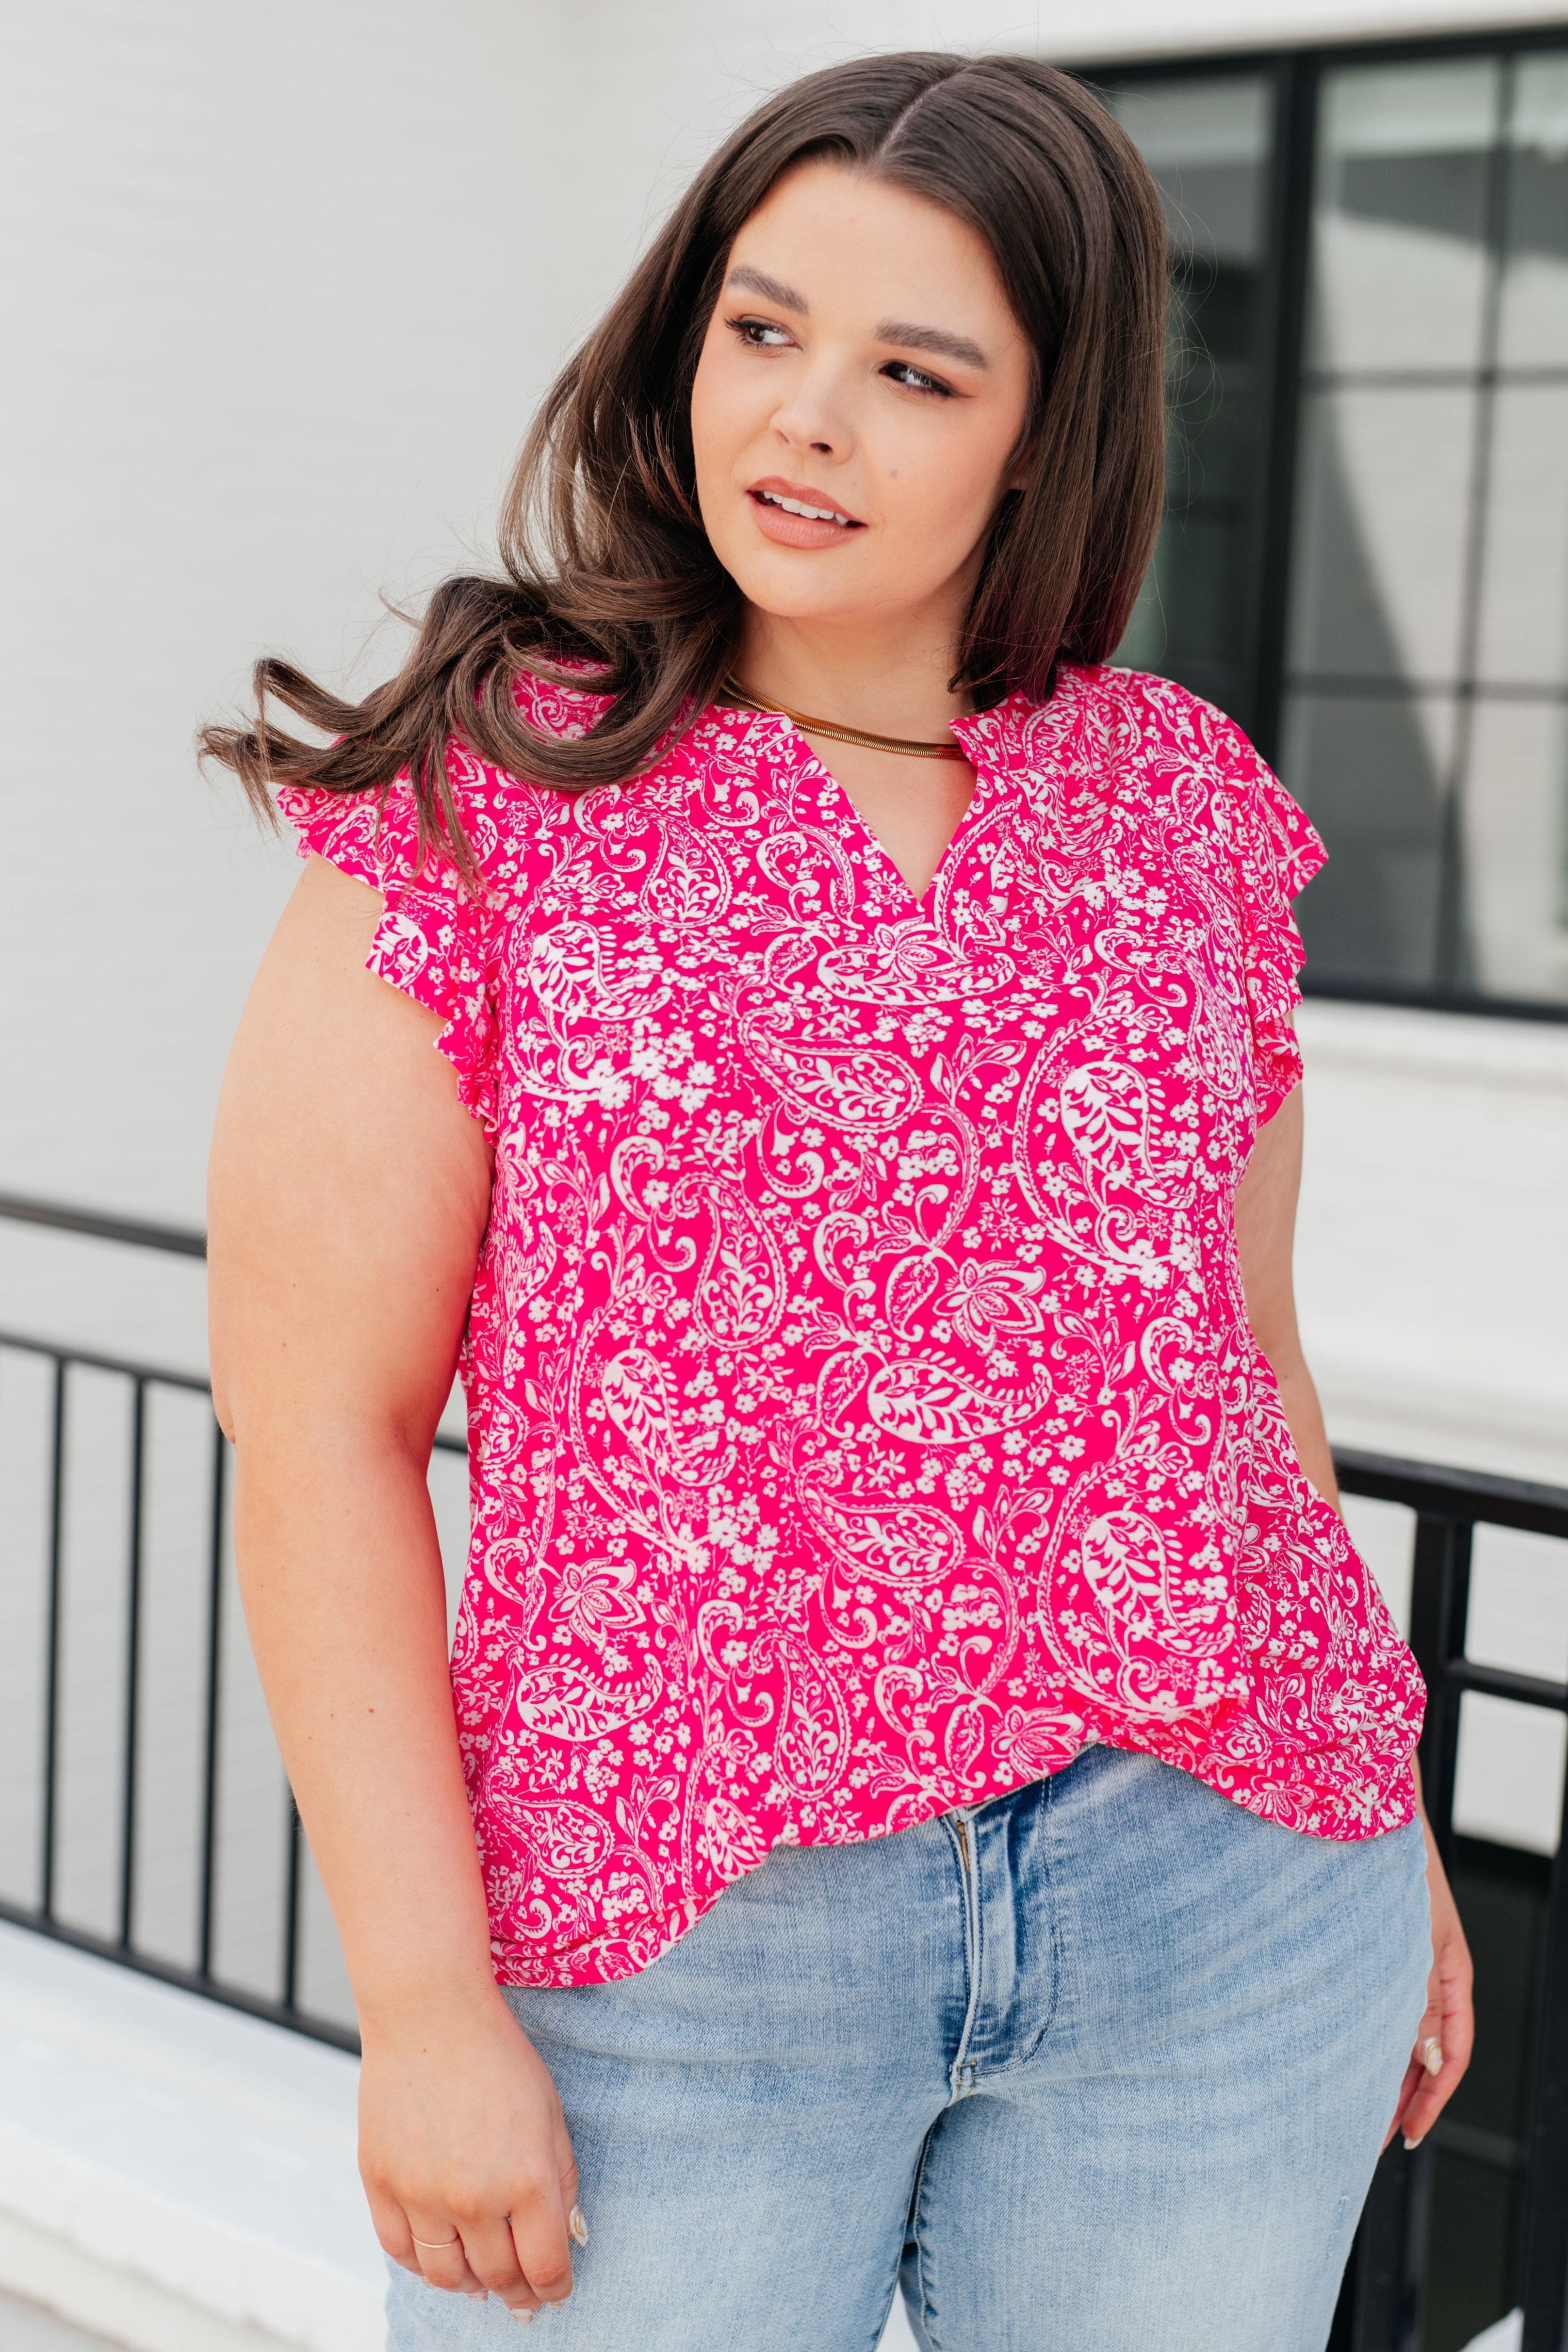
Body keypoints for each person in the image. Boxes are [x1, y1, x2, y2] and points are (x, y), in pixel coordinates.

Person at [202, 50, 1472, 2352]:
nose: (804, 420)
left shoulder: (1183, 806)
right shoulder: (494, 793)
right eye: (762, 329)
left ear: (1045, 428)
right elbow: (317, 1431)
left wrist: (1372, 1805)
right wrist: (416, 2002)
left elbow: (1237, 1368)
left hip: (1224, 1900)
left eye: (914, 371)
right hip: (670, 1943)